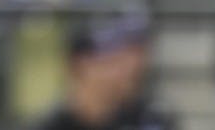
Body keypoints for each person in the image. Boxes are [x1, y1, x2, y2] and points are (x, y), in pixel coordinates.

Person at [33, 12, 177, 130]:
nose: (129, 67)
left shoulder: (152, 119)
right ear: (80, 65)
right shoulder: (49, 125)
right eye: (112, 59)